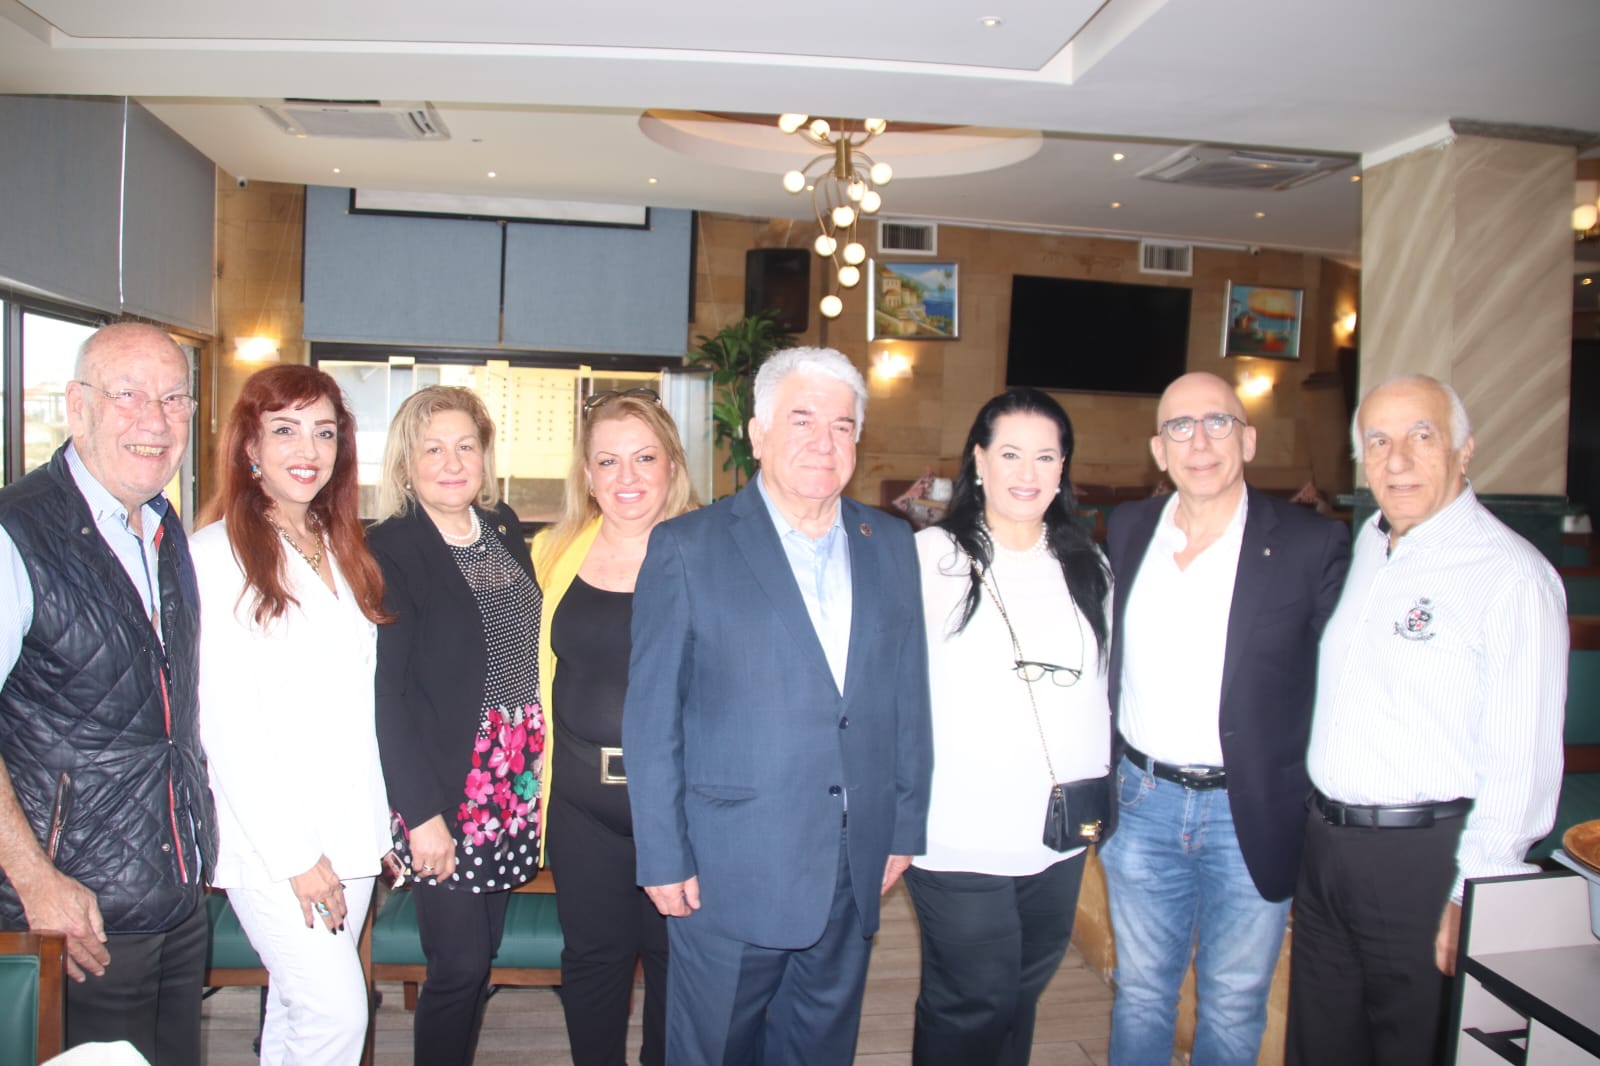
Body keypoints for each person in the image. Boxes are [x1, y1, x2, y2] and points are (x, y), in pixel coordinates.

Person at [624, 346, 933, 1065]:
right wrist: (662, 855)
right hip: (727, 870)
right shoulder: (687, 547)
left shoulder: (890, 542)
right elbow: (652, 720)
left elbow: (907, 696)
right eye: (802, 420)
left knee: (820, 1049)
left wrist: (903, 825)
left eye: (843, 425)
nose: (824, 442)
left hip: (851, 866)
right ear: (758, 434)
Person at [1288, 374, 1567, 1066]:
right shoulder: (1369, 546)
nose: (1399, 459)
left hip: (1428, 862)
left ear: (1464, 450)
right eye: (1378, 441)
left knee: (1412, 1049)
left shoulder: (1510, 575)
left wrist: (1477, 889)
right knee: (1322, 1048)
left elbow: (1523, 758)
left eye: (1422, 435)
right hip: (1329, 851)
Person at [1099, 370, 1350, 1066]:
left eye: (1218, 423)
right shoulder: (1129, 528)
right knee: (1140, 992)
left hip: (1251, 812)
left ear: (1249, 439)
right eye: (1180, 427)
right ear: (1159, 449)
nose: (1200, 442)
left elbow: (1344, 681)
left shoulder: (1309, 543)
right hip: (1142, 802)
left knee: (1235, 1001)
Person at [0, 321, 216, 1061]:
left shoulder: (160, 525)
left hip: (173, 894)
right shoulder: (16, 532)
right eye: (127, 395)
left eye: (174, 398)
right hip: (73, 915)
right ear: (77, 406)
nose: (155, 420)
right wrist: (36, 881)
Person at [191, 364, 393, 1063]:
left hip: (350, 830)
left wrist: (376, 820)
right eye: (285, 430)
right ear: (250, 445)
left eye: (324, 432)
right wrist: (296, 856)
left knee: (297, 1013)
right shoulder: (214, 555)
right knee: (337, 1016)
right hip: (276, 843)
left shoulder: (340, 545)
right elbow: (224, 723)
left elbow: (356, 701)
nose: (308, 449)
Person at [907, 388, 1113, 1066]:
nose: (1028, 473)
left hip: (1057, 830)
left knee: (1020, 994)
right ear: (980, 460)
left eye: (1046, 456)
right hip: (958, 830)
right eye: (1011, 454)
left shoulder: (1089, 565)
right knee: (973, 998)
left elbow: (1102, 687)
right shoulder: (928, 559)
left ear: (1063, 468)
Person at [368, 386, 544, 1066]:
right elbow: (389, 696)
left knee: (482, 954)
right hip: (445, 784)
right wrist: (421, 816)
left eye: (465, 446)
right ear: (405, 463)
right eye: (433, 448)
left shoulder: (502, 526)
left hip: (511, 774)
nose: (452, 462)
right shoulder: (390, 547)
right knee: (458, 966)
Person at [531, 387, 696, 1066]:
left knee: (676, 964)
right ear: (588, 474)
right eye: (608, 461)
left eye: (644, 457)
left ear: (671, 465)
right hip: (580, 804)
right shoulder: (550, 552)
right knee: (593, 963)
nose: (627, 477)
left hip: (683, 807)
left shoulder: (712, 554)